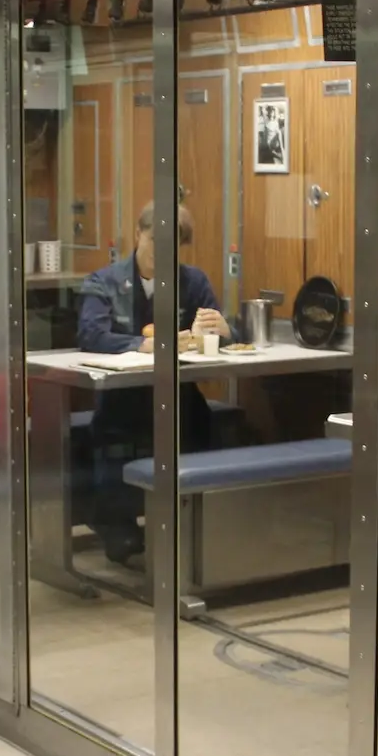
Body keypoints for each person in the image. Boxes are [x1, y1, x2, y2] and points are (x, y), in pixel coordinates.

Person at [77, 204, 230, 564]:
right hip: (123, 401)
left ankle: (193, 527)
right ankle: (116, 523)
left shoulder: (193, 282)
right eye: (154, 241)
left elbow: (219, 333)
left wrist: (223, 332)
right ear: (138, 235)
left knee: (201, 426)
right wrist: (143, 344)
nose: (162, 253)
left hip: (180, 402)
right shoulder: (104, 281)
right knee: (116, 434)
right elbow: (90, 333)